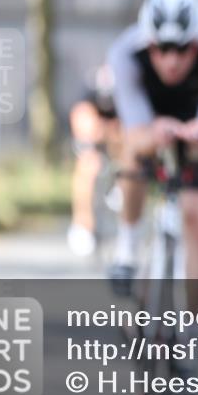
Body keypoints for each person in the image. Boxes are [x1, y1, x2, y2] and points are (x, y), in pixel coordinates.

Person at [106, 0, 198, 313]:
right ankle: (128, 244)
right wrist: (156, 131)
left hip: (197, 136)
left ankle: (188, 327)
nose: (172, 60)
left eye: (182, 49)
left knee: (196, 219)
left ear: (197, 44)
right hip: (150, 129)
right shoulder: (125, 53)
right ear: (148, 44)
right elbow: (135, 135)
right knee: (132, 155)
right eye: (162, 48)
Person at [66, 64, 121, 257]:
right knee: (87, 166)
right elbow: (82, 120)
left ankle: (119, 184)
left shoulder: (126, 94)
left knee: (126, 146)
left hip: (118, 131)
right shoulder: (88, 94)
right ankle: (82, 224)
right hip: (92, 132)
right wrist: (96, 134)